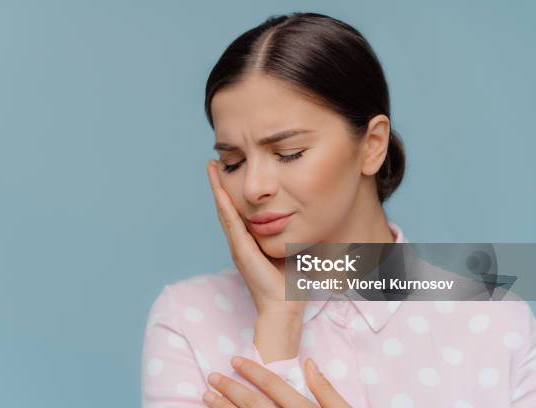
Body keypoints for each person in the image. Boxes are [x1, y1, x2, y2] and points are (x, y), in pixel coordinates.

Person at [141, 12, 536, 407]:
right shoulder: (187, 318)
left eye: (288, 153)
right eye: (232, 162)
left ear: (372, 145)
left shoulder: (495, 320)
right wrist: (279, 321)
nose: (253, 187)